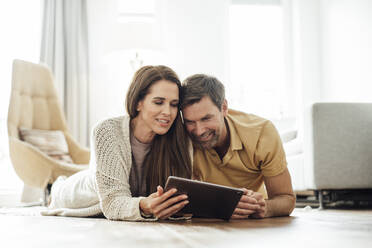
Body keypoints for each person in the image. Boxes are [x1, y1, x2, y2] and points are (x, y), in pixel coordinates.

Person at [42, 65, 192, 221]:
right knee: (59, 190)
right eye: (158, 102)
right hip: (78, 194)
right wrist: (143, 206)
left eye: (174, 104)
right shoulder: (107, 130)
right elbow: (112, 202)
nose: (167, 112)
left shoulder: (177, 138)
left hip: (119, 191)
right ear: (138, 103)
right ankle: (54, 188)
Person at [181, 74, 296, 219]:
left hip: (252, 223)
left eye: (206, 118)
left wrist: (264, 208)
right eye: (190, 121)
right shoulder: (181, 136)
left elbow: (286, 199)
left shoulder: (261, 132)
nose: (199, 131)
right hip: (205, 225)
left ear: (224, 108)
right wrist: (219, 207)